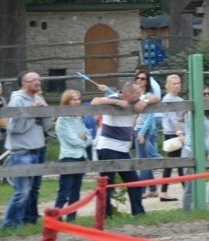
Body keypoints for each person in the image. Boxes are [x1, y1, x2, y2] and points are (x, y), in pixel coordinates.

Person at [2, 70, 51, 228]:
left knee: (34, 189)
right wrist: (31, 112)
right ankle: (9, 224)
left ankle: (29, 219)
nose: (38, 82)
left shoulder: (38, 97)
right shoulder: (17, 100)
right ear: (24, 84)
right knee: (22, 192)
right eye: (33, 80)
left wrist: (43, 113)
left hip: (38, 149)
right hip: (22, 151)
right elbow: (14, 128)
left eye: (39, 79)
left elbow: (47, 126)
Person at [92, 81, 148, 217]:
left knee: (134, 182)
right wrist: (117, 103)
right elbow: (94, 102)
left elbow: (156, 98)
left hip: (123, 150)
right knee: (107, 184)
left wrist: (145, 102)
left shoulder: (138, 100)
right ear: (128, 94)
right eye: (137, 93)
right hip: (107, 147)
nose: (140, 95)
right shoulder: (114, 97)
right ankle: (105, 216)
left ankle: (138, 213)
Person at [54, 89, 92, 221]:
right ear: (67, 102)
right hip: (68, 157)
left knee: (76, 191)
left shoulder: (78, 118)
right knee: (64, 191)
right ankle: (56, 216)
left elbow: (89, 137)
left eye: (78, 99)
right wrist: (83, 140)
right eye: (73, 99)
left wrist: (85, 139)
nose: (77, 102)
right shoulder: (62, 120)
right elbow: (73, 140)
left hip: (81, 157)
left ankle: (72, 217)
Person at [132, 70, 162, 198]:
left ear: (146, 81)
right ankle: (153, 187)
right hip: (135, 129)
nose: (139, 80)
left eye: (143, 79)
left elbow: (150, 116)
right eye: (137, 78)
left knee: (142, 161)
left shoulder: (148, 95)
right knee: (145, 158)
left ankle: (142, 190)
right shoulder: (135, 95)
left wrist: (142, 133)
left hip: (142, 130)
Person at [159, 74, 185, 201]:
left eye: (178, 83)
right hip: (172, 133)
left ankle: (164, 191)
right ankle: (186, 189)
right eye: (174, 83)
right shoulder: (167, 99)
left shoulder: (179, 100)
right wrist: (179, 133)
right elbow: (172, 118)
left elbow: (180, 117)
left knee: (174, 162)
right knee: (177, 162)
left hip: (179, 132)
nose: (177, 85)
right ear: (168, 85)